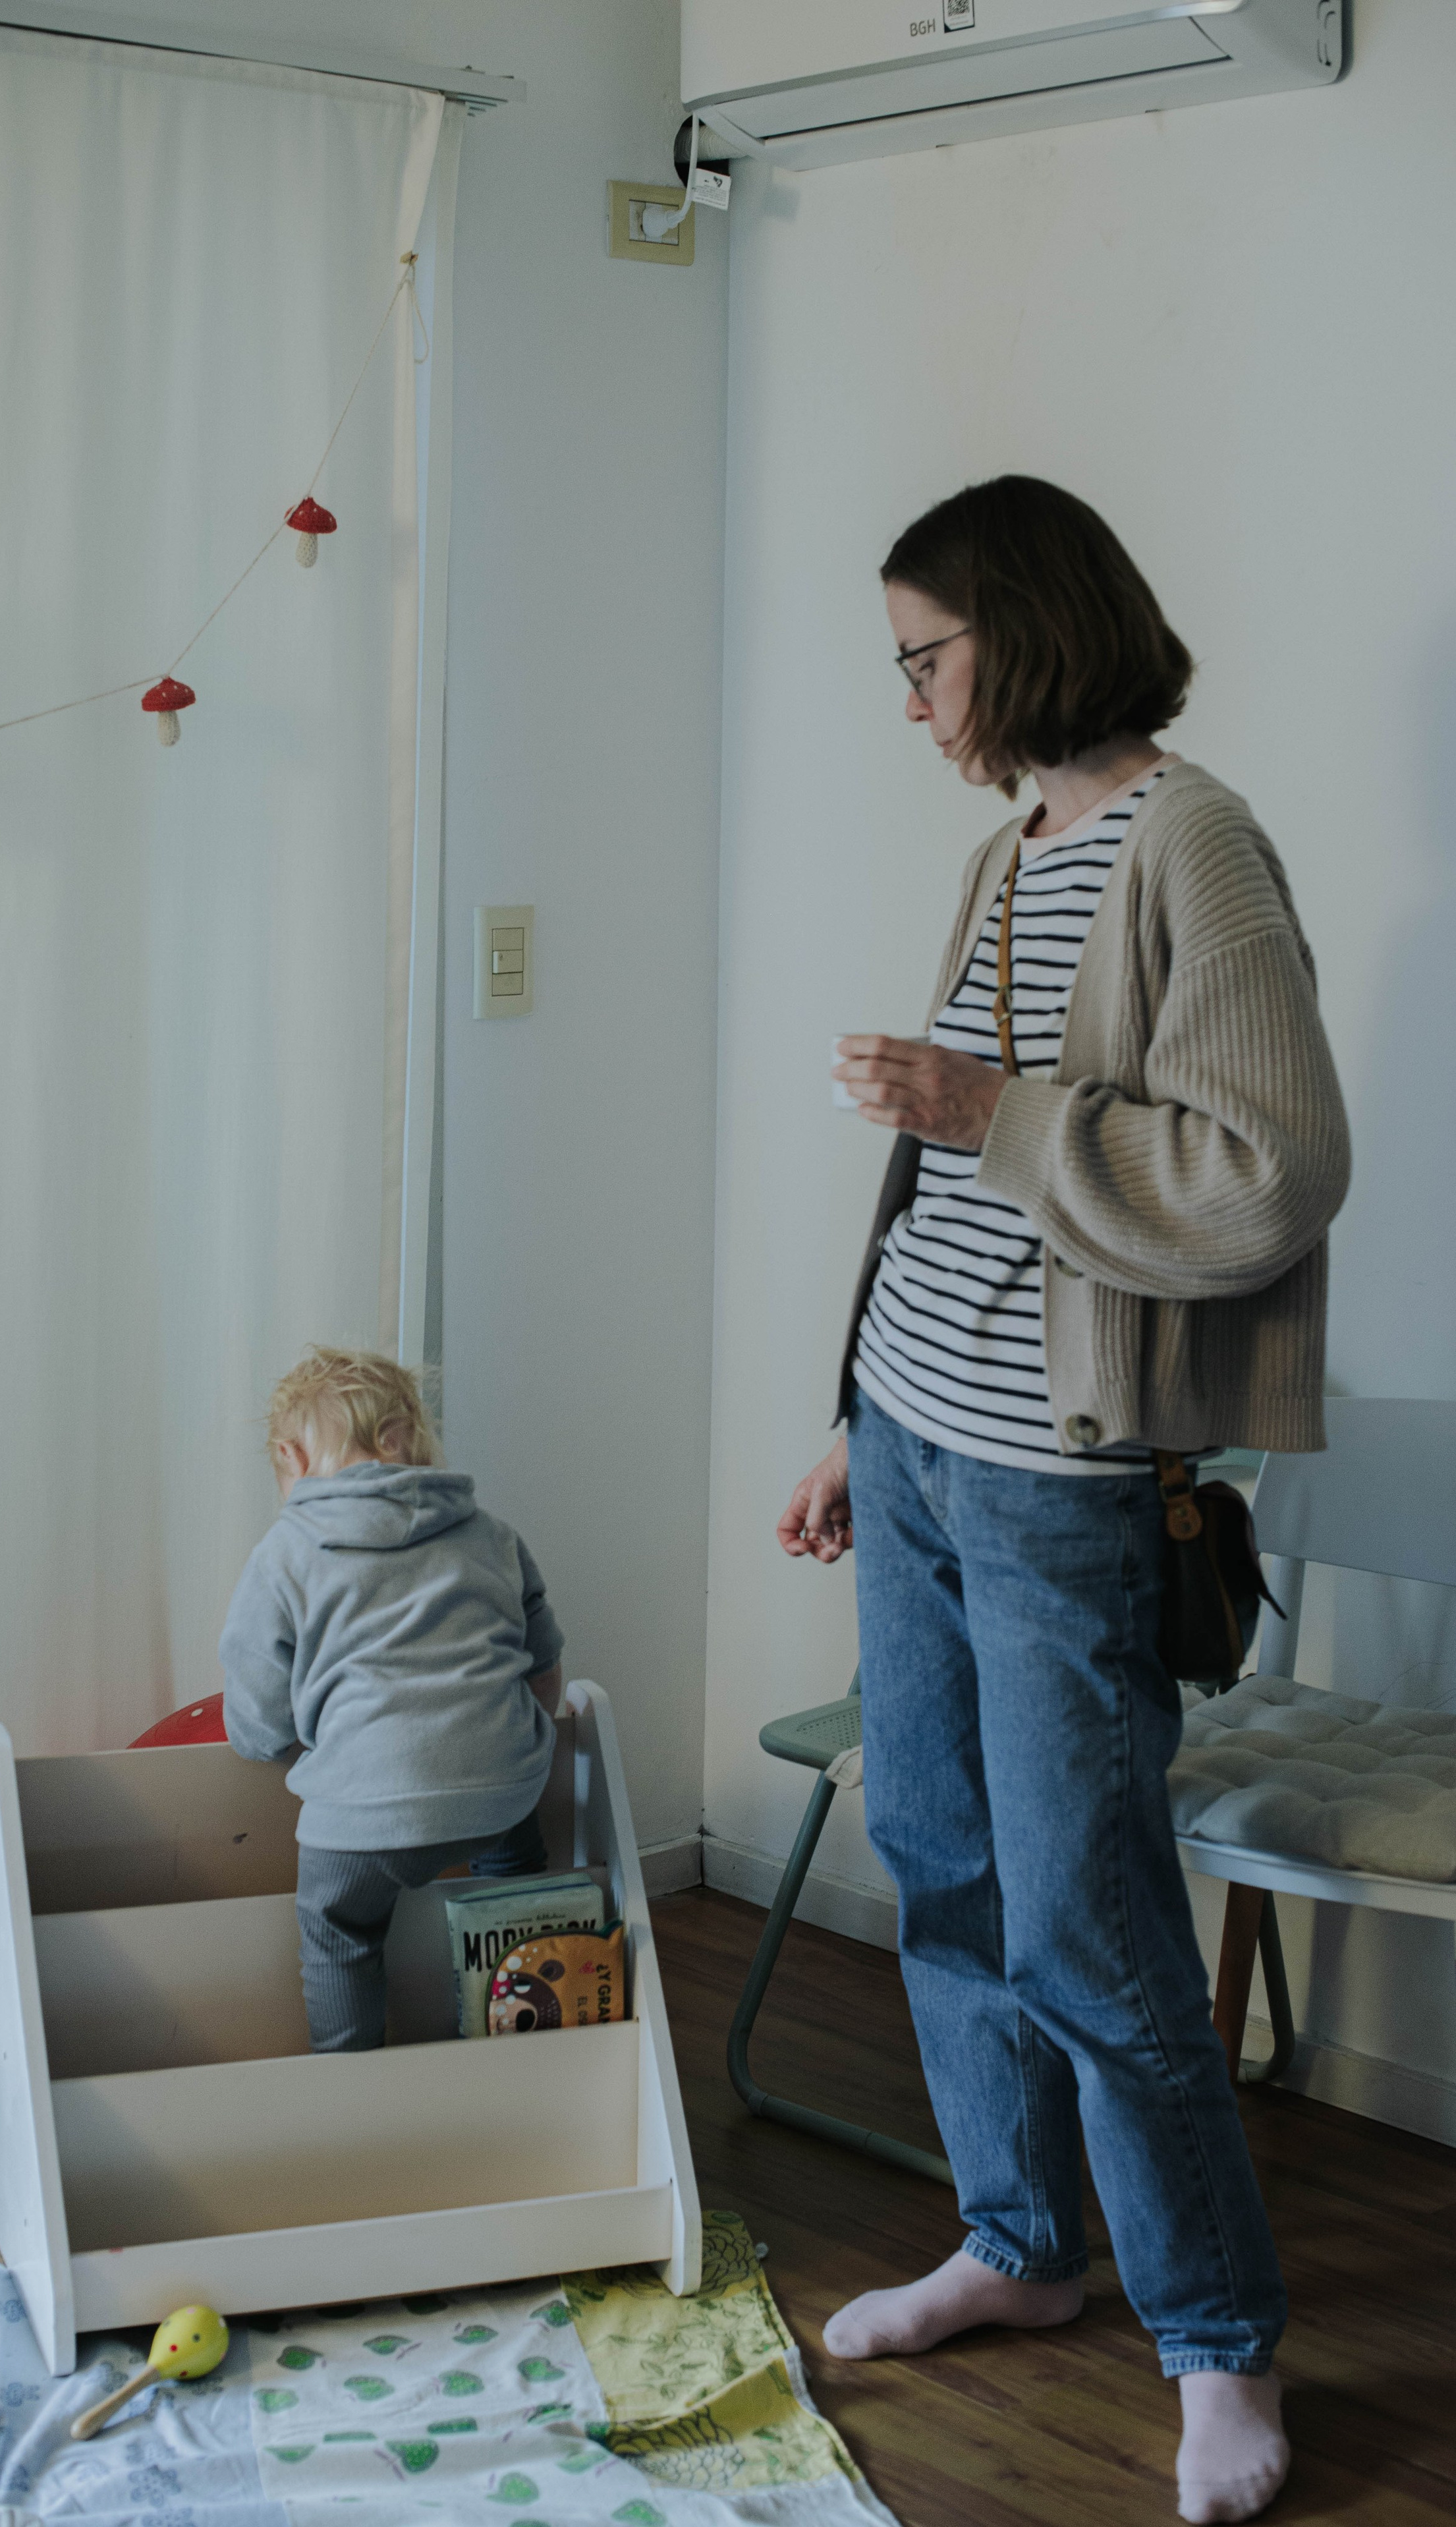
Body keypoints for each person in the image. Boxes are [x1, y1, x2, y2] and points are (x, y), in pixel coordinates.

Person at [780, 477, 1349, 2526]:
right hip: (919, 1443)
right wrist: (851, 1415)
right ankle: (1020, 2243)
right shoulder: (1007, 849)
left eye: (923, 657)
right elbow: (941, 1182)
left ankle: (1217, 2338)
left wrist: (989, 1106)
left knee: (1092, 1926)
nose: (912, 701)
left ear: (1020, 631)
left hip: (1063, 1477)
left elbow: (1269, 1170)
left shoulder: (1192, 843)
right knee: (936, 1859)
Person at [221, 1346, 563, 2052]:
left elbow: (256, 1702)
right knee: (513, 1862)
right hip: (501, 1785)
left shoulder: (283, 1552)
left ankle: (351, 2074)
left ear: (289, 1456)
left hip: (365, 1806)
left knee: (337, 1929)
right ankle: (529, 2024)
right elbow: (543, 1664)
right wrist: (522, 1738)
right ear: (405, 1439)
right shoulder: (491, 1533)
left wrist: (267, 1743)